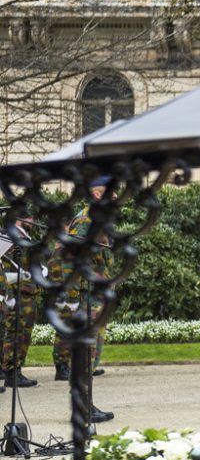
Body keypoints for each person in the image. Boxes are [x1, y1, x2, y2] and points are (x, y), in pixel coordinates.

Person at [51, 176, 115, 422]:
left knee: (91, 355)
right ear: (98, 194)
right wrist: (71, 297)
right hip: (86, 299)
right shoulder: (86, 220)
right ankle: (82, 408)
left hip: (95, 298)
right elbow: (67, 257)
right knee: (84, 355)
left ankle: (86, 404)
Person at [1, 214, 40, 388]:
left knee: (23, 333)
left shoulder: (24, 236)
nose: (33, 221)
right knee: (15, 332)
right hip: (17, 293)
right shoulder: (9, 236)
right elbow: (5, 266)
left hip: (27, 291)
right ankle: (11, 372)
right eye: (30, 218)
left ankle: (15, 370)